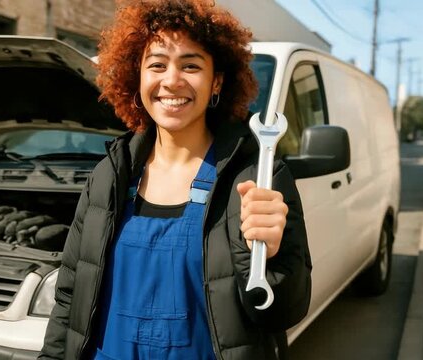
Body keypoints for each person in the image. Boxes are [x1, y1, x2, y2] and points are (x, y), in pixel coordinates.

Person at [39, 1, 311, 359]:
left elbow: (284, 311)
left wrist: (269, 259)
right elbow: (70, 296)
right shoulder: (110, 175)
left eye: (191, 65)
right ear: (136, 77)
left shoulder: (258, 177)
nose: (171, 80)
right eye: (157, 64)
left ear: (216, 82)